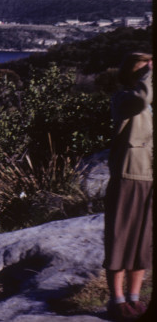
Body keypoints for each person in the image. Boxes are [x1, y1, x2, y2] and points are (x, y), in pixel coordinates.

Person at [104, 52, 152, 321]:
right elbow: (142, 99)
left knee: (142, 242)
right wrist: (148, 74)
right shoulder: (124, 99)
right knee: (120, 239)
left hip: (149, 176)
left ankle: (134, 298)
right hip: (129, 175)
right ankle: (117, 300)